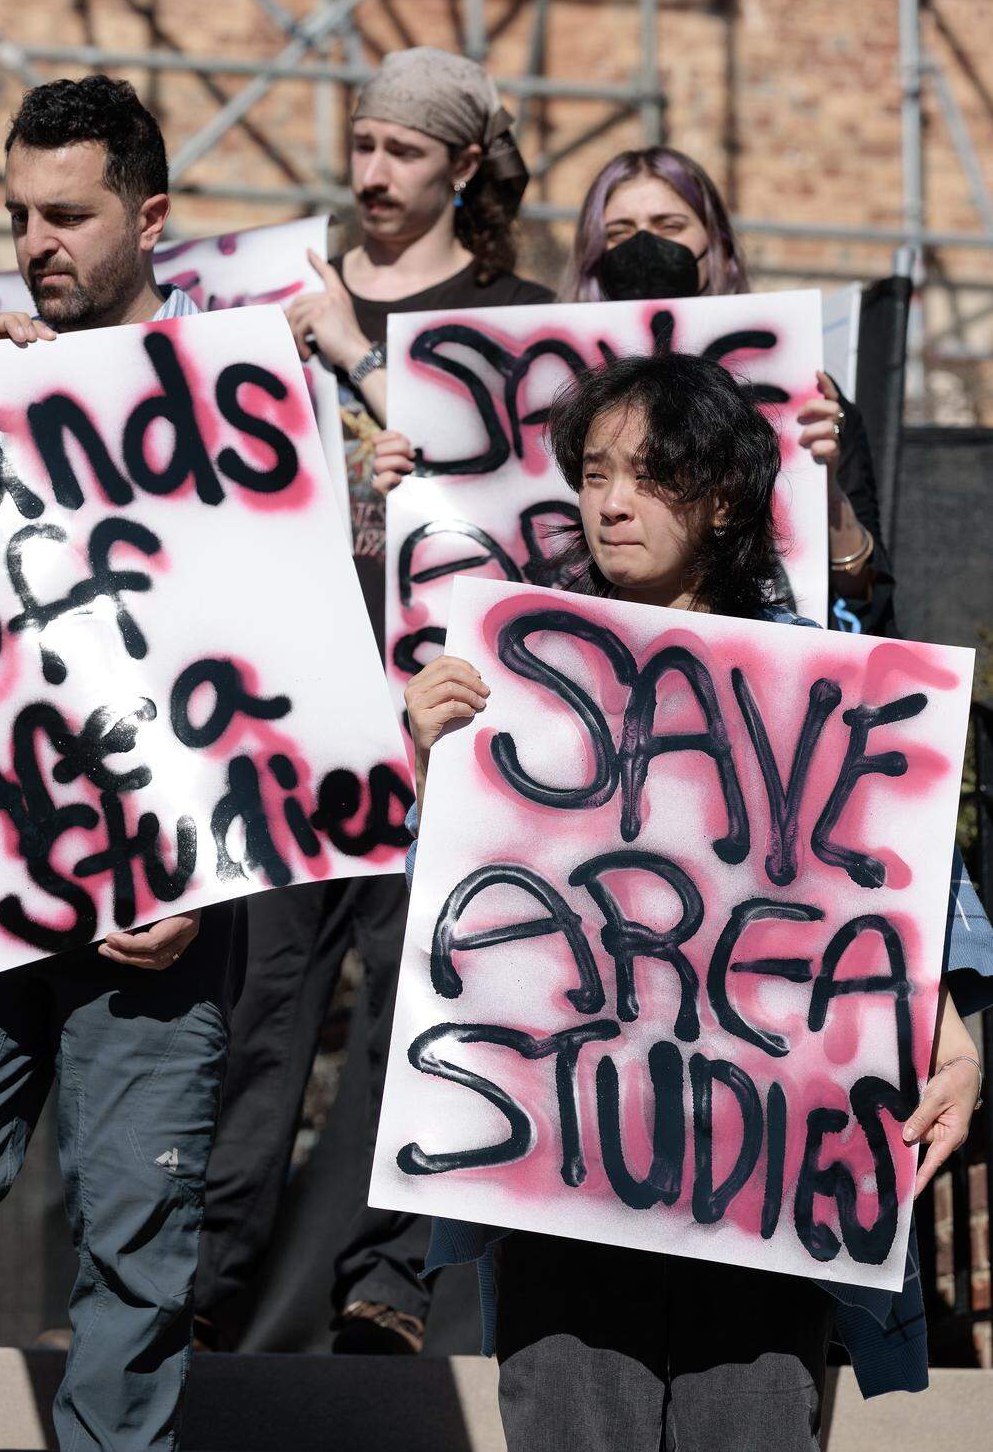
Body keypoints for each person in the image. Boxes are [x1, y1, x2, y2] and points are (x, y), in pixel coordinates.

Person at [402, 353, 991, 1450]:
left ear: (723, 498)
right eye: (592, 471)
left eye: (648, 473)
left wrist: (958, 1051)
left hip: (766, 1179)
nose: (611, 501)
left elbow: (902, 908)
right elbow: (460, 926)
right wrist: (434, 763)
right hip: (570, 1168)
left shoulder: (824, 682)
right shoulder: (518, 673)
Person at [0, 76, 241, 1450]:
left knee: (137, 1242)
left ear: (152, 219)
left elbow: (288, 670)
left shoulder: (233, 402)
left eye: (67, 215)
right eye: (18, 214)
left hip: (164, 906)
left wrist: (197, 869)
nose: (35, 242)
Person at [193, 46, 553, 1356]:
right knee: (257, 1006)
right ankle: (207, 1276)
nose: (373, 172)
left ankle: (390, 1279)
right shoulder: (269, 291)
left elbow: (529, 511)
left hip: (442, 715)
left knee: (417, 998)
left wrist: (355, 356)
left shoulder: (512, 312)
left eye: (403, 150)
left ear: (463, 164)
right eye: (361, 143)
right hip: (293, 714)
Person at [374, 145, 895, 640]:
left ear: (716, 246)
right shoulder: (536, 389)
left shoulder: (798, 393)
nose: (644, 246)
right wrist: (420, 475)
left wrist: (824, 496)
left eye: (669, 226)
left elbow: (863, 607)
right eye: (619, 232)